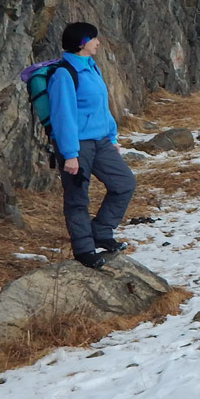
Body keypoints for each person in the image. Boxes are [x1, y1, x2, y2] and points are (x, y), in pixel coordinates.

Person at [48, 22, 136, 270]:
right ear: (81, 43)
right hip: (77, 146)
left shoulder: (91, 67)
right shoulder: (64, 74)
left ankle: (101, 230)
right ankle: (84, 249)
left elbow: (101, 106)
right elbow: (62, 116)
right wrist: (70, 154)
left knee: (124, 183)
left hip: (100, 141)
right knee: (77, 198)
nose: (98, 42)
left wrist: (111, 136)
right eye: (94, 39)